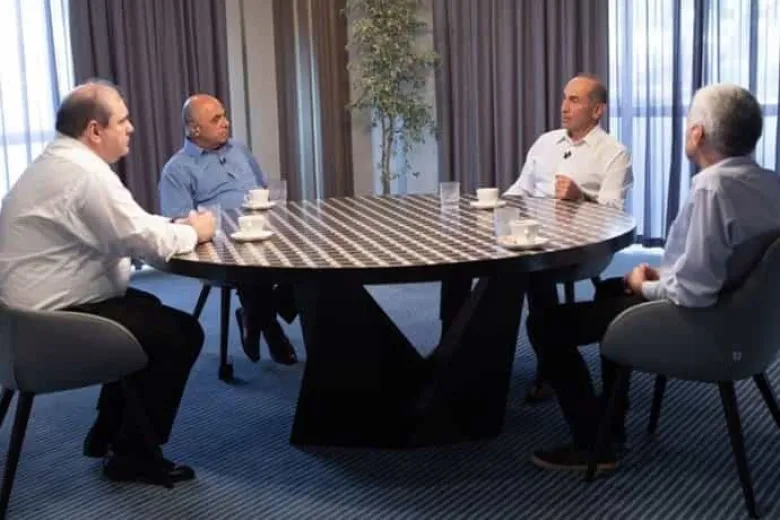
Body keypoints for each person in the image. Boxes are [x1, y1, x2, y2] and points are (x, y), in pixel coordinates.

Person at [528, 83, 780, 471]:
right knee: (609, 290)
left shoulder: (712, 188)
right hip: (749, 326)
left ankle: (594, 442)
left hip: (706, 326)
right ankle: (611, 422)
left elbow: (692, 294)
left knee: (546, 326)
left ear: (697, 133)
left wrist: (643, 284)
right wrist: (661, 273)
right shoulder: (768, 182)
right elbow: (730, 261)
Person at [0, 80, 216, 485]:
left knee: (147, 307)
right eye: (123, 120)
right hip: (43, 328)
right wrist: (195, 230)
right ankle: (132, 454)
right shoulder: (85, 174)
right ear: (95, 130)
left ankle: (109, 432)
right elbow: (146, 242)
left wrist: (172, 225)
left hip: (18, 321)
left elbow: (127, 225)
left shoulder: (59, 163)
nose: (131, 127)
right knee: (181, 333)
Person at [504, 74, 633, 403]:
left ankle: (549, 366)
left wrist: (580, 197)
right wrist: (496, 209)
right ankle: (463, 353)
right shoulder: (545, 142)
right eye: (564, 98)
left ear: (597, 110)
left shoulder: (614, 153)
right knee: (488, 266)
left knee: (532, 271)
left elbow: (614, 214)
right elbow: (520, 189)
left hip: (582, 246)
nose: (563, 107)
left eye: (574, 100)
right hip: (531, 234)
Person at [158, 94, 297, 366]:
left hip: (264, 229)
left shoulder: (239, 149)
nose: (226, 122)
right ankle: (270, 328)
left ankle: (252, 316)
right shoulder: (176, 170)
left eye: (224, 115)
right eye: (216, 119)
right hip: (222, 245)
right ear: (195, 129)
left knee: (311, 264)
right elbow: (177, 225)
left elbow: (262, 188)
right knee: (251, 266)